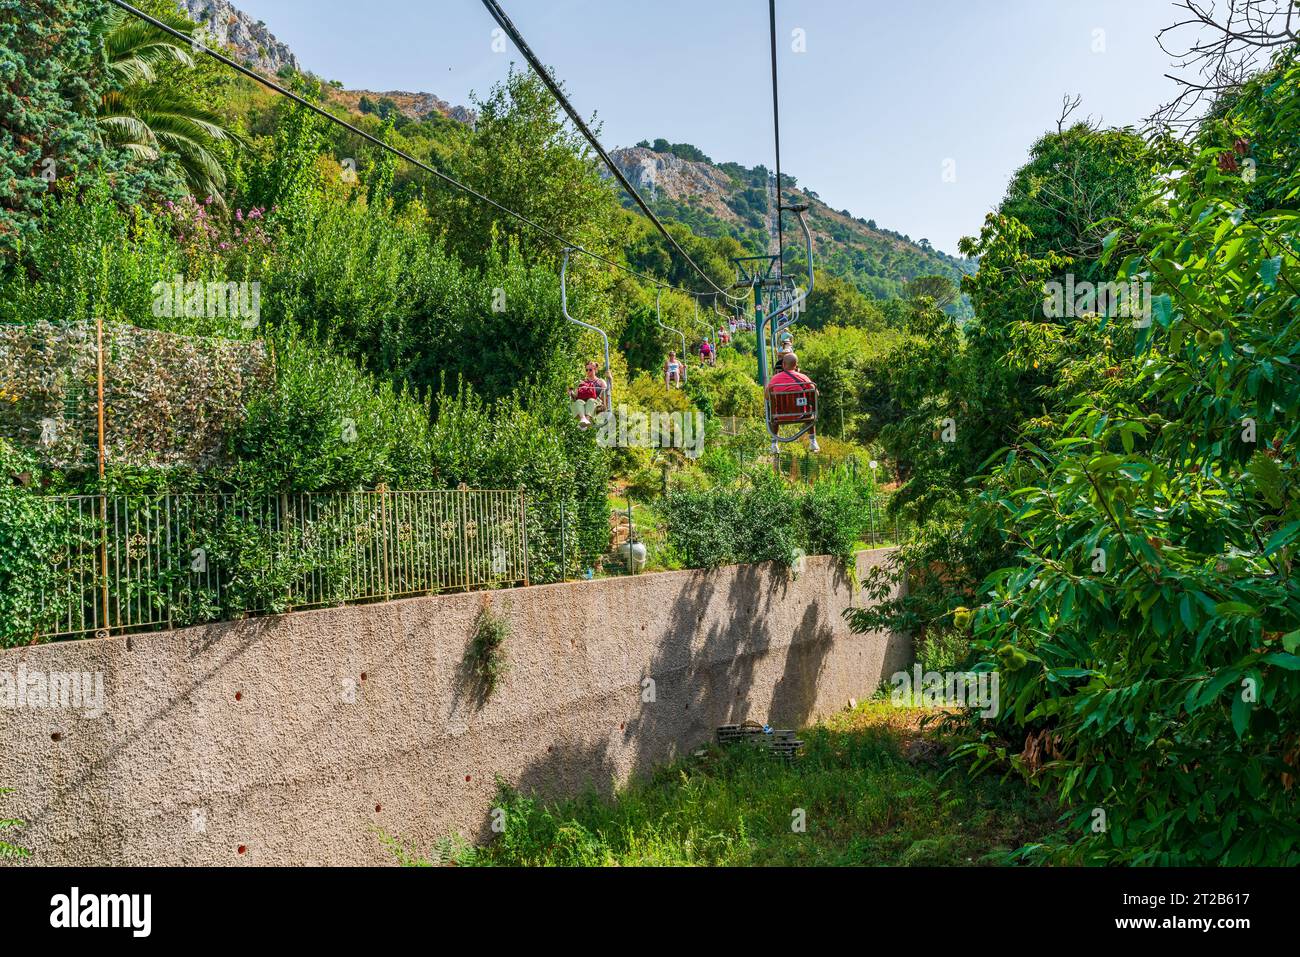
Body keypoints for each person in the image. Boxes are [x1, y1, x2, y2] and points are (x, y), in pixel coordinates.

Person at [765, 351, 819, 454]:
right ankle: (813, 441)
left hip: (780, 416)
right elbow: (815, 393)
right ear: (796, 365)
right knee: (809, 411)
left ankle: (774, 444)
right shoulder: (803, 378)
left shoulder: (775, 379)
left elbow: (767, 396)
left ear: (783, 364)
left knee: (775, 413)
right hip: (801, 415)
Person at [568, 360, 608, 427]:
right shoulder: (582, 382)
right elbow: (575, 397)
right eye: (586, 370)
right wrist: (570, 393)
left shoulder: (600, 382)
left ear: (595, 370)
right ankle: (583, 419)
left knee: (591, 401)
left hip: (596, 404)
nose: (588, 372)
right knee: (578, 401)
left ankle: (587, 419)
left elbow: (607, 391)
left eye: (590, 369)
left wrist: (610, 379)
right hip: (584, 404)